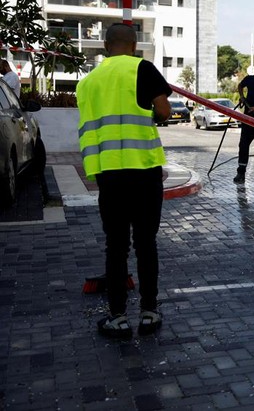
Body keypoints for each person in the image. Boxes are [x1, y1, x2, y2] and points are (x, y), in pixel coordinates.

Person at [76, 23, 172, 338]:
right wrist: (157, 115)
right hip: (144, 170)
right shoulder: (143, 69)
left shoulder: (88, 82)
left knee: (115, 246)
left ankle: (117, 317)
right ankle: (149, 312)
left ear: (106, 46)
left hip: (109, 174)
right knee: (145, 243)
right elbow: (163, 110)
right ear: (133, 46)